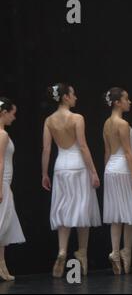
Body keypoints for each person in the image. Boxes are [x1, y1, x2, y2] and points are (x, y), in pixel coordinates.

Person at [42, 83, 101, 278]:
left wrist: (44, 174)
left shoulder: (49, 120)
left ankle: (61, 251)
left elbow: (47, 150)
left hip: (60, 167)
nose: (76, 97)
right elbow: (83, 146)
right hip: (78, 165)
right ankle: (82, 254)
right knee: (82, 208)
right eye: (73, 94)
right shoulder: (77, 118)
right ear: (66, 97)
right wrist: (93, 171)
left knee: (63, 209)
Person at [103, 87, 132, 275]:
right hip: (122, 168)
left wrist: (106, 171)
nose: (129, 102)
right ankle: (126, 250)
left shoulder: (106, 123)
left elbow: (107, 151)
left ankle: (115, 251)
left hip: (111, 169)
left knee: (116, 214)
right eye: (126, 99)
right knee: (131, 211)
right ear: (117, 102)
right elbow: (128, 152)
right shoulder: (122, 124)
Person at [0, 97, 25, 281]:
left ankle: (2, 265)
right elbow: (0, 162)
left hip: (4, 182)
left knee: (3, 226)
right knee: (2, 225)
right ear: (4, 113)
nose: (14, 118)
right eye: (12, 114)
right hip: (2, 183)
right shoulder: (2, 135)